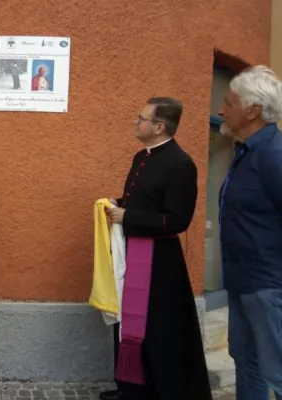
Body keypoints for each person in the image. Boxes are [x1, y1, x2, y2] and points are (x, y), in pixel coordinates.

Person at [100, 97, 212, 400]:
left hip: (160, 264)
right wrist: (119, 204)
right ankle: (132, 387)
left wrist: (129, 216)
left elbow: (177, 219)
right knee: (129, 324)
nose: (136, 122)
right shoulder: (142, 157)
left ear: (160, 126)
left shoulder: (180, 164)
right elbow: (145, 201)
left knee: (158, 332)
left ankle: (158, 390)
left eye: (142, 118)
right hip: (132, 252)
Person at [217, 65, 282, 400]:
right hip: (242, 283)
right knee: (247, 362)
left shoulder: (274, 155)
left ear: (252, 110)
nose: (220, 109)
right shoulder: (244, 152)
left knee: (278, 372)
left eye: (228, 102)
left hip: (269, 287)